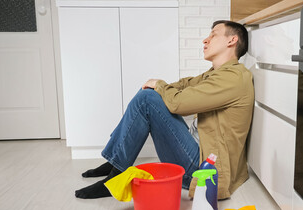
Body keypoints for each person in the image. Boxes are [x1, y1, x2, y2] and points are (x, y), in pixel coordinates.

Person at [75, 20, 254, 200]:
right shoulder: (216, 74)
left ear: (232, 40)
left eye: (213, 34)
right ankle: (116, 163)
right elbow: (185, 84)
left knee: (148, 99)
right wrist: (157, 86)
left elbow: (179, 105)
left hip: (205, 170)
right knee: (150, 92)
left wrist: (159, 85)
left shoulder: (233, 78)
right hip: (198, 155)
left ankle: (117, 170)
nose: (205, 40)